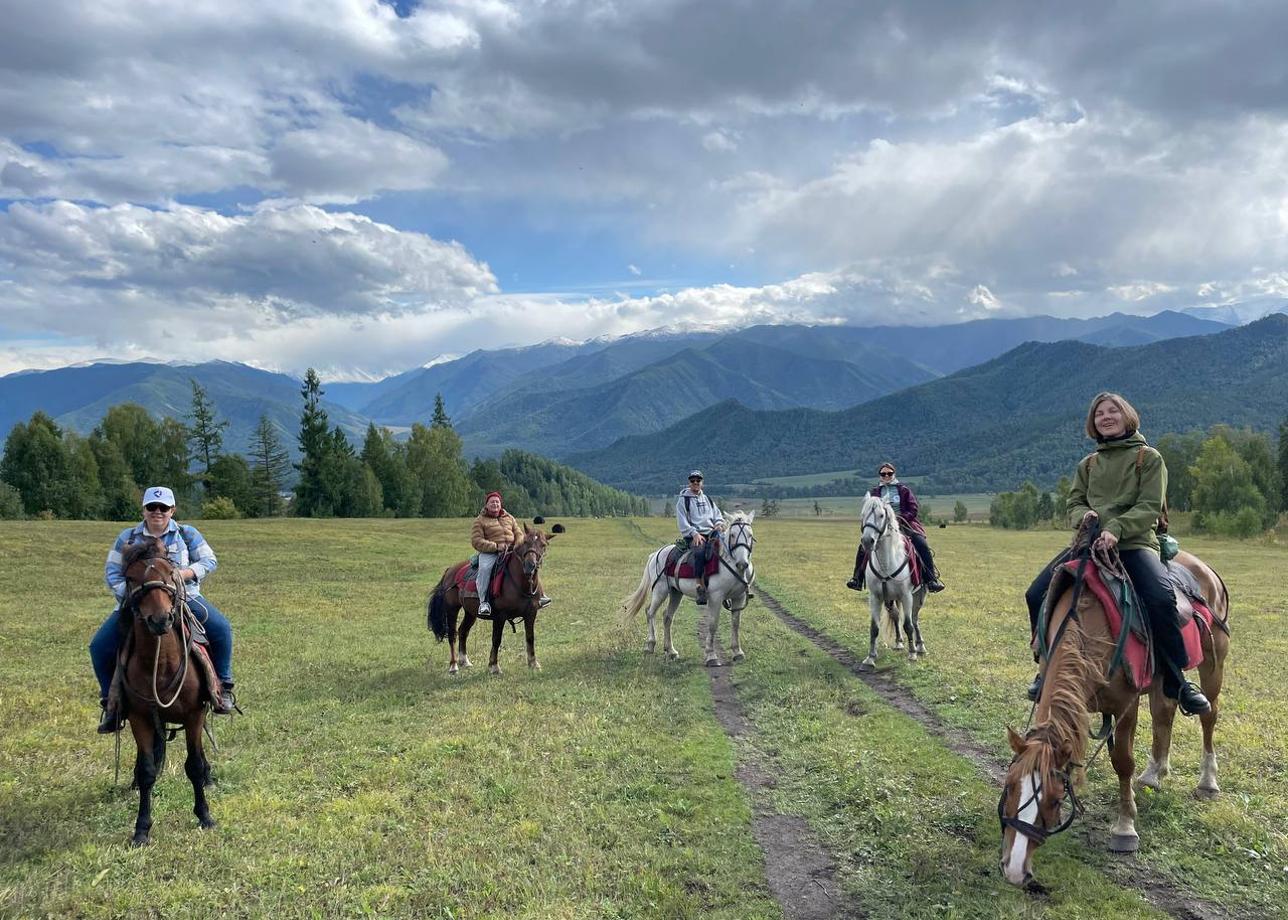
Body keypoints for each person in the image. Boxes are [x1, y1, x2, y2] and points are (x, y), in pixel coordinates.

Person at [1023, 392, 1210, 715]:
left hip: (1134, 543)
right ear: (1092, 423)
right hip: (1089, 544)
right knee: (1036, 593)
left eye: (1113, 411)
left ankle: (1176, 680)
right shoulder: (1089, 464)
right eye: (1099, 414)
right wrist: (1085, 518)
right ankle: (1046, 667)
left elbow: (1150, 506)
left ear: (1127, 416)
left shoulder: (1148, 458)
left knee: (1160, 597)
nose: (1106, 417)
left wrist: (1118, 529)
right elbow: (1074, 501)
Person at [91, 486, 235, 733]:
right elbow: (112, 573)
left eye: (163, 508)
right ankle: (111, 703)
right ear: (144, 510)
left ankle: (223, 688)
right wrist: (135, 598)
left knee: (221, 629)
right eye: (152, 507)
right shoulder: (127, 538)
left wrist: (184, 573)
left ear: (172, 510)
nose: (157, 512)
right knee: (99, 646)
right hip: (137, 604)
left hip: (185, 598)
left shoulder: (187, 534)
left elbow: (209, 560)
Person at [846, 462, 945, 592]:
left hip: (904, 524)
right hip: (881, 527)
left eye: (889, 473)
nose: (886, 476)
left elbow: (913, 508)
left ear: (894, 474)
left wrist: (899, 518)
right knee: (864, 546)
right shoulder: (875, 492)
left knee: (921, 544)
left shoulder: (904, 490)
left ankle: (931, 580)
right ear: (880, 476)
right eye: (883, 474)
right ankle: (857, 579)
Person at [471, 491, 551, 615]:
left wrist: (517, 543)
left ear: (500, 503)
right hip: (490, 552)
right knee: (485, 569)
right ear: (486, 505)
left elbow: (518, 532)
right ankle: (484, 603)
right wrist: (496, 546)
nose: (495, 504)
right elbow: (476, 541)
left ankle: (540, 595)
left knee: (531, 562)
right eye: (492, 502)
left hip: (511, 549)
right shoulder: (480, 521)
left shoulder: (508, 517)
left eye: (497, 502)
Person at [675, 470, 725, 605]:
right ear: (689, 482)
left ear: (702, 483)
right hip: (694, 535)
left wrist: (719, 524)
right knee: (700, 551)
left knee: (727, 548)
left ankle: (727, 585)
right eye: (693, 481)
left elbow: (717, 515)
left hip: (710, 532)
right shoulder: (683, 500)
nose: (695, 483)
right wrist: (694, 533)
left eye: (698, 480)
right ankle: (699, 586)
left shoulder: (707, 498)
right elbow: (682, 521)